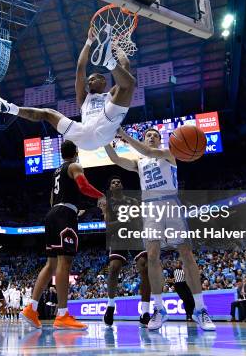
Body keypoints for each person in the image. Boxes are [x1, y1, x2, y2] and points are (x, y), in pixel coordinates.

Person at [104, 128, 215, 331]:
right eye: (149, 135)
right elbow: (116, 159)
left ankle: (200, 309)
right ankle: (159, 309)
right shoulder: (139, 162)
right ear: (144, 138)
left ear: (161, 139)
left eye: (155, 135)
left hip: (171, 204)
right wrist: (104, 140)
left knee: (186, 254)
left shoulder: (169, 152)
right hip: (150, 207)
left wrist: (123, 135)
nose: (152, 137)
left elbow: (149, 152)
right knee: (153, 256)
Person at [0, 27, 136, 151]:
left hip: (104, 125)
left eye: (92, 79)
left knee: (127, 84)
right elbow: (80, 67)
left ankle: (108, 59)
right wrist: (89, 41)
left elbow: (126, 67)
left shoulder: (110, 95)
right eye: (88, 80)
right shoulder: (84, 98)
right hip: (83, 133)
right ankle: (7, 107)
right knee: (48, 113)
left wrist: (116, 47)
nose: (88, 81)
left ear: (103, 81)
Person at [20, 140, 104, 330]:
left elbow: (52, 198)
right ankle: (63, 314)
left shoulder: (56, 172)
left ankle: (31, 309)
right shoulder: (74, 165)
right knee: (65, 262)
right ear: (76, 152)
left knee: (51, 264)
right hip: (64, 215)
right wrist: (101, 195)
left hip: (52, 215)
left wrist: (68, 210)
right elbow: (83, 186)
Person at [100, 175, 150, 327]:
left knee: (145, 266)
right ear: (110, 188)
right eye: (113, 182)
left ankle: (145, 311)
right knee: (114, 268)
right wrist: (123, 221)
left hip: (133, 235)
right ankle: (110, 306)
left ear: (121, 186)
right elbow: (108, 226)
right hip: (118, 237)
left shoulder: (133, 201)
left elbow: (140, 221)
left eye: (118, 182)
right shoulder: (108, 203)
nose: (116, 183)